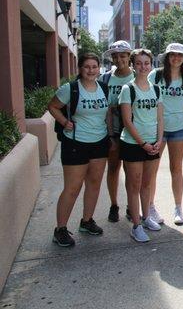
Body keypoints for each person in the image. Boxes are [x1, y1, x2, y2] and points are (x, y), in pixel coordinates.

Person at [48, 53, 111, 247]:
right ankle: (60, 230)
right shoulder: (71, 89)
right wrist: (64, 122)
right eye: (87, 67)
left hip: (99, 142)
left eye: (94, 66)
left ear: (99, 68)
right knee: (73, 188)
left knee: (94, 183)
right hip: (75, 143)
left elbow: (107, 113)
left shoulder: (104, 87)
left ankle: (87, 221)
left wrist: (110, 136)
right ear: (80, 69)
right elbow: (53, 107)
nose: (91, 70)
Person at [147, 42, 183, 225]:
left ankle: (178, 208)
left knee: (176, 169)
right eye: (172, 55)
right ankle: (150, 207)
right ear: (167, 57)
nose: (176, 58)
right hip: (156, 129)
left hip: (178, 129)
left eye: (179, 55)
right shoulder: (156, 75)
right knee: (151, 170)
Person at [119, 49, 164, 243]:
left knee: (147, 183)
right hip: (133, 143)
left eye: (146, 63)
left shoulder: (156, 89)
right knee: (134, 185)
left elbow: (160, 117)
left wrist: (159, 140)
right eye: (138, 63)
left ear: (151, 65)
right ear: (133, 65)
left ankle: (146, 218)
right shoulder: (127, 89)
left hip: (153, 143)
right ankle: (136, 225)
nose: (143, 66)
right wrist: (143, 143)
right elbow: (127, 121)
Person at [101, 40, 134, 222]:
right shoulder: (105, 78)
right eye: (115, 56)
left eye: (123, 55)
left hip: (132, 132)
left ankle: (131, 205)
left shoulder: (137, 76)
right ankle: (114, 205)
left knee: (131, 171)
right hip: (111, 131)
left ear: (129, 57)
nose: (119, 59)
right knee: (113, 168)